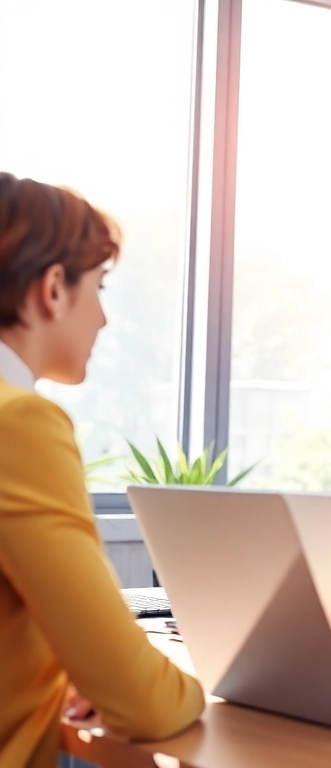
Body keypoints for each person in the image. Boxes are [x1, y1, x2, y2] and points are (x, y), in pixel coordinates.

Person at [0, 174, 205, 767]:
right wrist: (205, 692)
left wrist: (70, 673)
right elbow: (148, 707)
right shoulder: (20, 424)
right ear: (53, 288)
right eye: (99, 286)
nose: (104, 319)